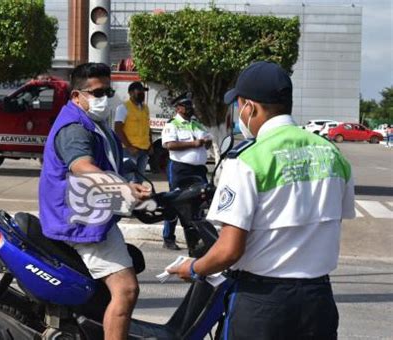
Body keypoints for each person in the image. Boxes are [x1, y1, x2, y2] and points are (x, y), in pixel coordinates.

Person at [168, 61, 356, 339]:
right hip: (318, 301)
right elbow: (331, 221)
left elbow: (229, 250)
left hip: (262, 302)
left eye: (239, 105)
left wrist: (193, 268)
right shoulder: (333, 154)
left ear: (250, 107)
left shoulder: (247, 160)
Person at [39, 63, 151, 340]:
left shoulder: (96, 124)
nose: (105, 98)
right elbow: (82, 166)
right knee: (126, 290)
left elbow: (111, 163)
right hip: (80, 221)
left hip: (92, 213)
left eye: (108, 91)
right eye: (97, 92)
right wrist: (123, 187)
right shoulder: (75, 128)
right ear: (77, 96)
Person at [161, 93, 212, 250]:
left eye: (191, 106)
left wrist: (207, 142)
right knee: (175, 202)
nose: (190, 109)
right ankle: (168, 238)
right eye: (186, 106)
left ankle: (197, 239)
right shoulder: (172, 124)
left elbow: (206, 144)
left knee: (200, 202)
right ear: (178, 108)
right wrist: (194, 144)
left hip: (198, 170)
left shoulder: (196, 124)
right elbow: (169, 145)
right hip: (180, 169)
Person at [114, 81, 152, 183]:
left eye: (143, 91)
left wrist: (150, 144)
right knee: (128, 180)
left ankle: (136, 199)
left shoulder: (145, 108)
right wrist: (129, 147)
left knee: (140, 180)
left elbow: (148, 127)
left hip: (144, 150)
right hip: (130, 150)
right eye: (139, 91)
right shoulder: (123, 108)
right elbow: (118, 129)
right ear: (130, 93)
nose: (142, 93)